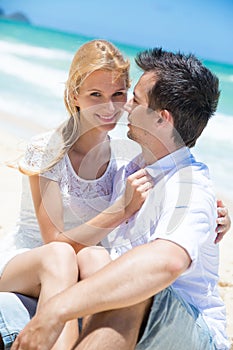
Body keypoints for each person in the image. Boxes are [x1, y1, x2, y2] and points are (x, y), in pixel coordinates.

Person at [0, 42, 230, 349]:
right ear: (75, 96)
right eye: (97, 95)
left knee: (113, 273)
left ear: (161, 119)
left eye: (128, 98)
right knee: (78, 262)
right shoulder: (131, 168)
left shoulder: (180, 184)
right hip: (47, 269)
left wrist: (58, 310)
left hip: (166, 317)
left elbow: (167, 259)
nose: (120, 109)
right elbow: (59, 242)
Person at [0, 39, 154, 350]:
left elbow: (170, 195)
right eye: (95, 95)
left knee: (96, 255)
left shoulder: (125, 159)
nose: (109, 107)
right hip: (31, 262)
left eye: (118, 95)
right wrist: (121, 209)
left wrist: (215, 216)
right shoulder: (47, 150)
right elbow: (52, 239)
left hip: (82, 264)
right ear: (75, 96)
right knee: (62, 255)